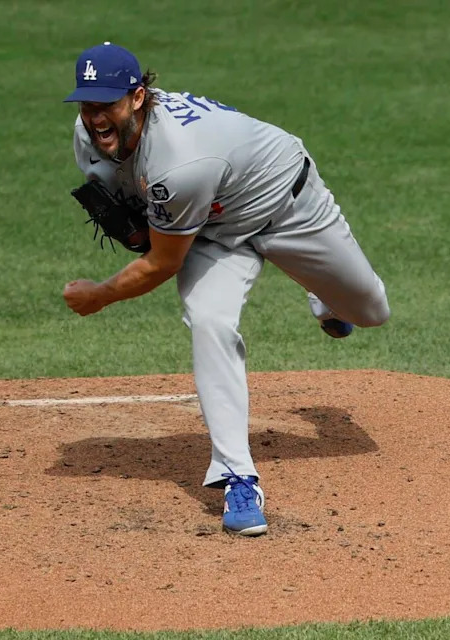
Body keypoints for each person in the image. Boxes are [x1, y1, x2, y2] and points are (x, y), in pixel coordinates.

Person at [61, 42, 390, 537]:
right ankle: (239, 477)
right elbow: (138, 209)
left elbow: (162, 262)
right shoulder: (89, 137)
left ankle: (323, 294)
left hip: (287, 206)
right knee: (210, 322)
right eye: (87, 106)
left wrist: (99, 294)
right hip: (212, 234)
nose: (95, 118)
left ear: (137, 97)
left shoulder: (180, 161)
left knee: (370, 312)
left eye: (106, 104)